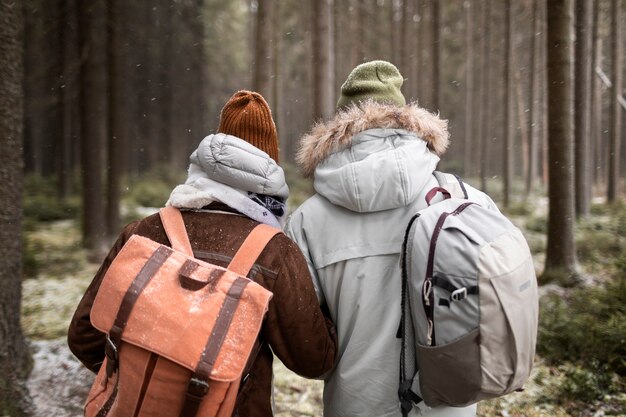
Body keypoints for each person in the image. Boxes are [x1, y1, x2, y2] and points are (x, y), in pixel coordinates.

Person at [68, 90, 338, 417]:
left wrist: (149, 379)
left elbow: (84, 338)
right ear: (268, 171)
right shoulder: (274, 252)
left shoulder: (142, 233)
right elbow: (313, 359)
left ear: (205, 165)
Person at [285, 61, 498, 417]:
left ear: (341, 123)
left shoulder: (308, 220)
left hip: (354, 403)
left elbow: (309, 344)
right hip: (447, 403)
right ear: (406, 118)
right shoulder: (465, 201)